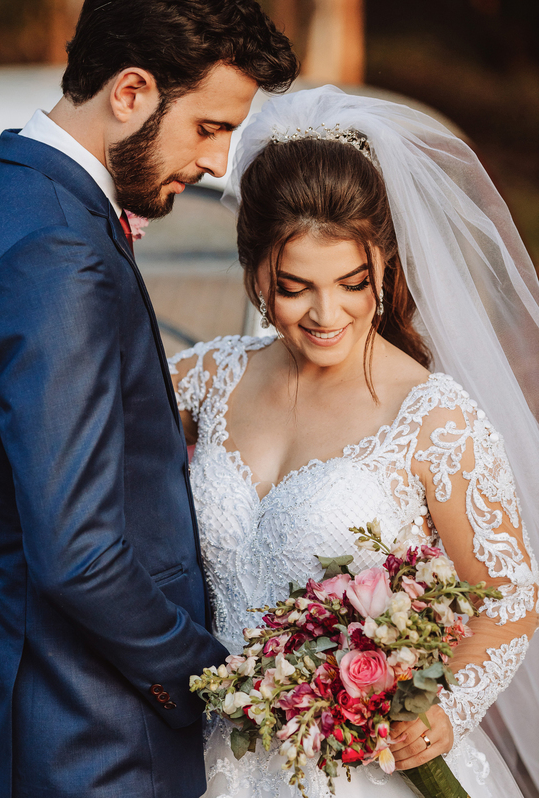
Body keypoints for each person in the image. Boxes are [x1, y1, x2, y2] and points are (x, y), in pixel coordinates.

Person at [0, 1, 298, 795]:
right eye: (207, 126)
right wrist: (207, 676)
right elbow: (80, 554)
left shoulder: (11, 204)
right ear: (131, 91)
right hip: (91, 740)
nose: (217, 159)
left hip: (50, 725)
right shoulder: (56, 252)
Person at [168, 85, 539, 797]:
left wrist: (445, 711)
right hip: (210, 754)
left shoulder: (434, 417)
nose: (325, 313)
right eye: (294, 286)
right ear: (255, 274)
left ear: (384, 267)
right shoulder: (205, 376)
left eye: (352, 282)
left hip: (362, 768)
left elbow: (510, 596)